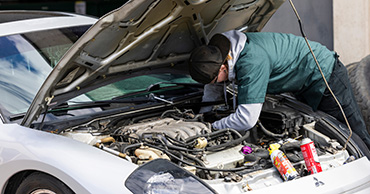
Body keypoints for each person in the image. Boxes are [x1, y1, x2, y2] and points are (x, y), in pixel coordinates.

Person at [188, 30, 370, 150]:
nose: (214, 84)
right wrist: (204, 113)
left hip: (324, 73)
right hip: (300, 79)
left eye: (214, 79)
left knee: (353, 134)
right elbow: (212, 87)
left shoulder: (251, 62)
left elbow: (247, 118)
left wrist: (212, 127)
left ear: (222, 68)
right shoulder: (224, 51)